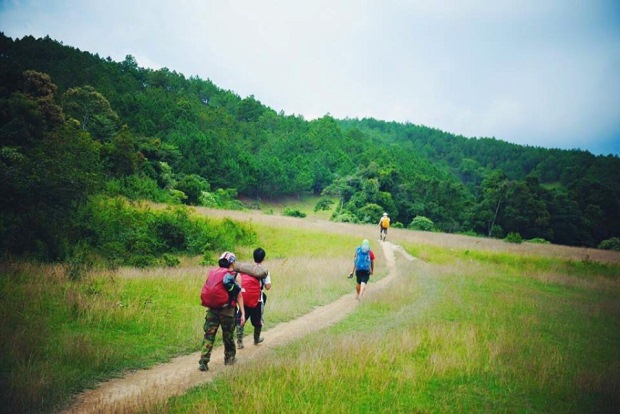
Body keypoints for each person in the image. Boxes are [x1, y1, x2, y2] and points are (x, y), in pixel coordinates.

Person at [199, 251, 245, 372]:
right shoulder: (235, 275)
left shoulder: (213, 273)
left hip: (212, 310)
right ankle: (229, 359)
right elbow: (239, 296)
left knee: (209, 336)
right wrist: (243, 313)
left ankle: (203, 361)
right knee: (228, 337)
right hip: (228, 311)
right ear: (232, 262)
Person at [237, 247, 272, 348]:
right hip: (257, 299)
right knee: (258, 321)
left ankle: (239, 342)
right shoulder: (264, 271)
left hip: (244, 298)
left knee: (241, 319)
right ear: (263, 258)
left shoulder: (247, 269)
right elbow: (268, 287)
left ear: (254, 257)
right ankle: (256, 339)